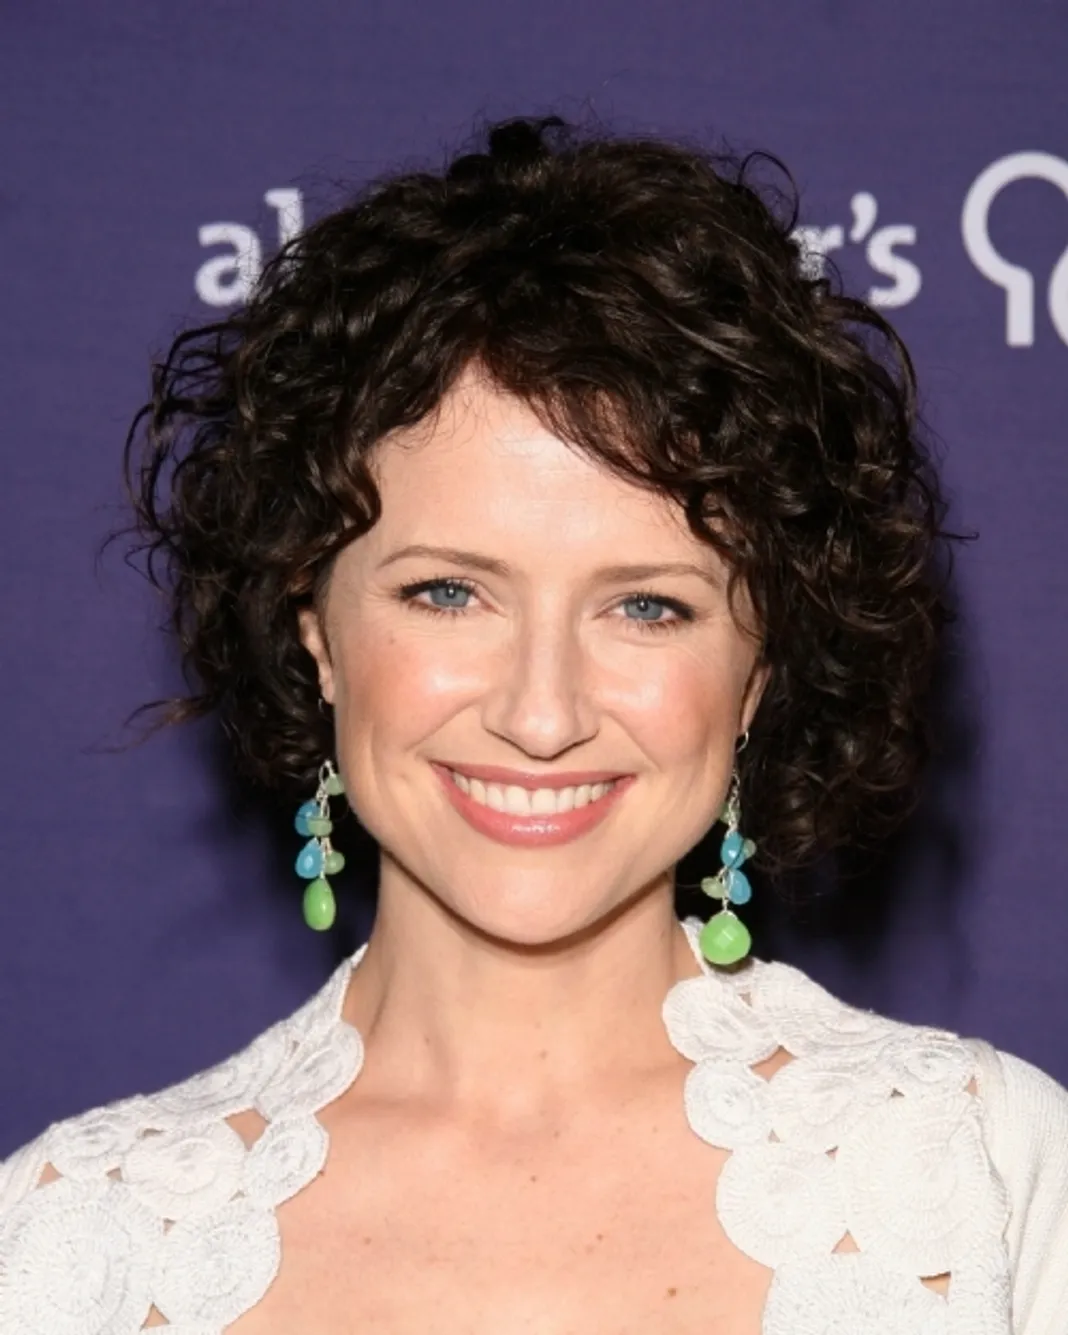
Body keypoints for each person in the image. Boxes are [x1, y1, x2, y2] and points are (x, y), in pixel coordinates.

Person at [1, 114, 1065, 1335]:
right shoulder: (66, 1243)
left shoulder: (993, 1179)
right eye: (448, 594)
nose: (542, 714)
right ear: (314, 630)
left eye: (647, 607)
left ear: (759, 668)